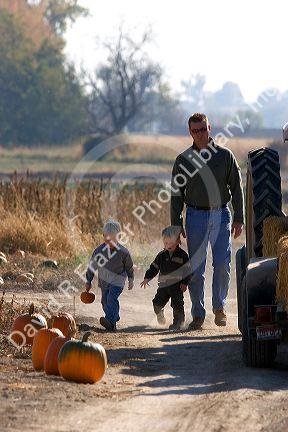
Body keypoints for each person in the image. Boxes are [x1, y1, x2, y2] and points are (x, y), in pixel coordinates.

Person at [170, 112, 244, 330]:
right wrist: (176, 225)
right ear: (190, 132)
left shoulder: (225, 156)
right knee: (197, 268)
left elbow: (237, 189)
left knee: (222, 264)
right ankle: (198, 313)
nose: (200, 134)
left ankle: (219, 308)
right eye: (196, 131)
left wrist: (239, 217)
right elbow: (176, 195)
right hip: (195, 216)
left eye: (203, 129)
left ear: (210, 128)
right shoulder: (183, 160)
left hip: (221, 215)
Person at [85, 219, 134, 331]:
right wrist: (88, 281)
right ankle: (113, 318)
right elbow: (92, 267)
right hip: (104, 282)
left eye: (113, 239)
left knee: (111, 298)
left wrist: (131, 279)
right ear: (103, 236)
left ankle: (110, 321)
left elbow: (129, 267)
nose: (110, 242)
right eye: (107, 239)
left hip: (118, 281)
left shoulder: (123, 252)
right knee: (104, 301)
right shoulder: (99, 251)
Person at [140, 226, 193, 330]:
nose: (168, 246)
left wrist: (185, 283)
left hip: (177, 286)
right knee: (156, 303)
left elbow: (188, 271)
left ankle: (178, 323)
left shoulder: (182, 256)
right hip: (163, 286)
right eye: (165, 243)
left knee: (177, 304)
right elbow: (154, 267)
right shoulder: (161, 255)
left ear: (178, 241)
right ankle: (160, 316)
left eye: (170, 243)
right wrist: (147, 278)